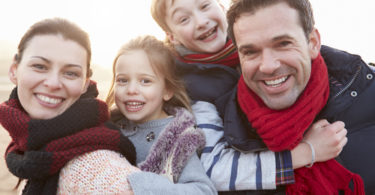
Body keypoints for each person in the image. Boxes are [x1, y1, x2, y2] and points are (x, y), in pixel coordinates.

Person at [150, 0, 353, 193]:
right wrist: (306, 152)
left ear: (221, 7)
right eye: (184, 19)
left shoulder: (259, 42)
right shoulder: (191, 89)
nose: (201, 21)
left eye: (204, 6)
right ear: (172, 37)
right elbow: (212, 169)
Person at [221, 0, 375, 193]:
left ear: (313, 43)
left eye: (283, 44)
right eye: (250, 52)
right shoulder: (220, 135)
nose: (268, 66)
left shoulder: (369, 92)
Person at [0, 18, 137, 194]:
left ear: (85, 84)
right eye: (40, 66)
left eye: (70, 73)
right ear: (14, 70)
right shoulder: (33, 147)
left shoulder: (97, 172)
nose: (53, 83)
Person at [105, 35, 217, 195]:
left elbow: (204, 191)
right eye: (122, 80)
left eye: (145, 81)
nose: (131, 90)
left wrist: (141, 186)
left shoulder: (178, 140)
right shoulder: (108, 127)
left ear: (167, 90)